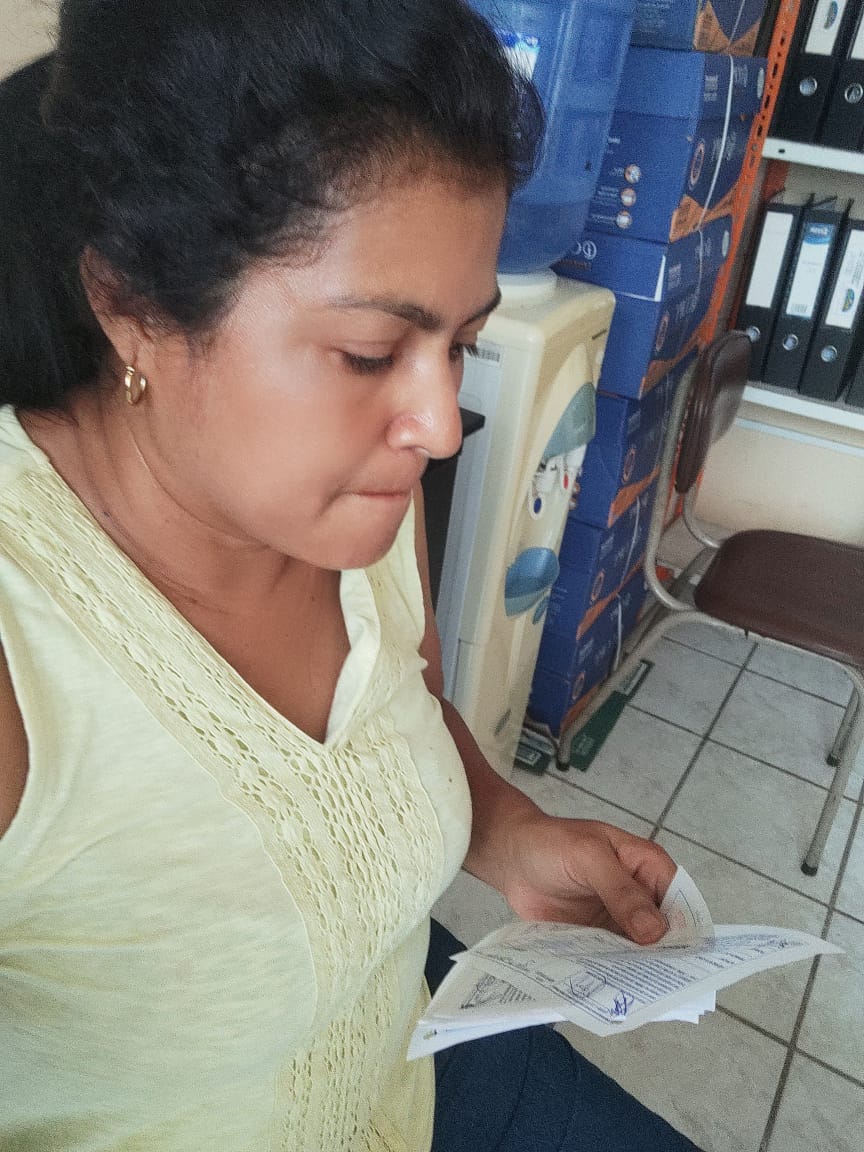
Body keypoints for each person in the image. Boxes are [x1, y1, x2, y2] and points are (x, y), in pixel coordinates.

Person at [0, 3, 702, 1150]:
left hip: (407, 1069)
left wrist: (508, 828)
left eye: (461, 345)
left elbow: (406, 711)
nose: (439, 423)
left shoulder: (362, 515)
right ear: (130, 305)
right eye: (372, 353)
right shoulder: (22, 656)